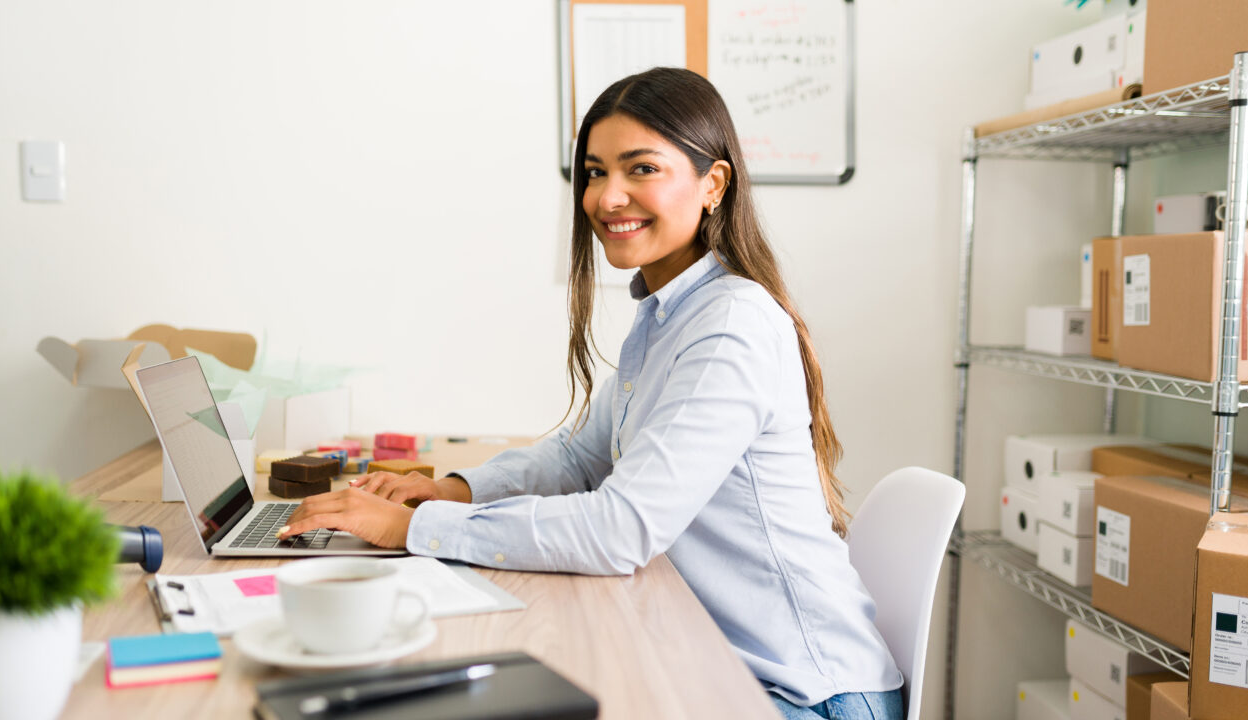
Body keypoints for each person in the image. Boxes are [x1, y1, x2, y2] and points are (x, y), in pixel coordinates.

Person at [279, 67, 904, 720]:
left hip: (810, 694)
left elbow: (621, 528)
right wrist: (451, 491)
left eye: (640, 169)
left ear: (713, 184)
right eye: (596, 172)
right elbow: (577, 461)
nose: (608, 197)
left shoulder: (731, 326)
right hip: (729, 666)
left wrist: (415, 528)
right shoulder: (668, 315)